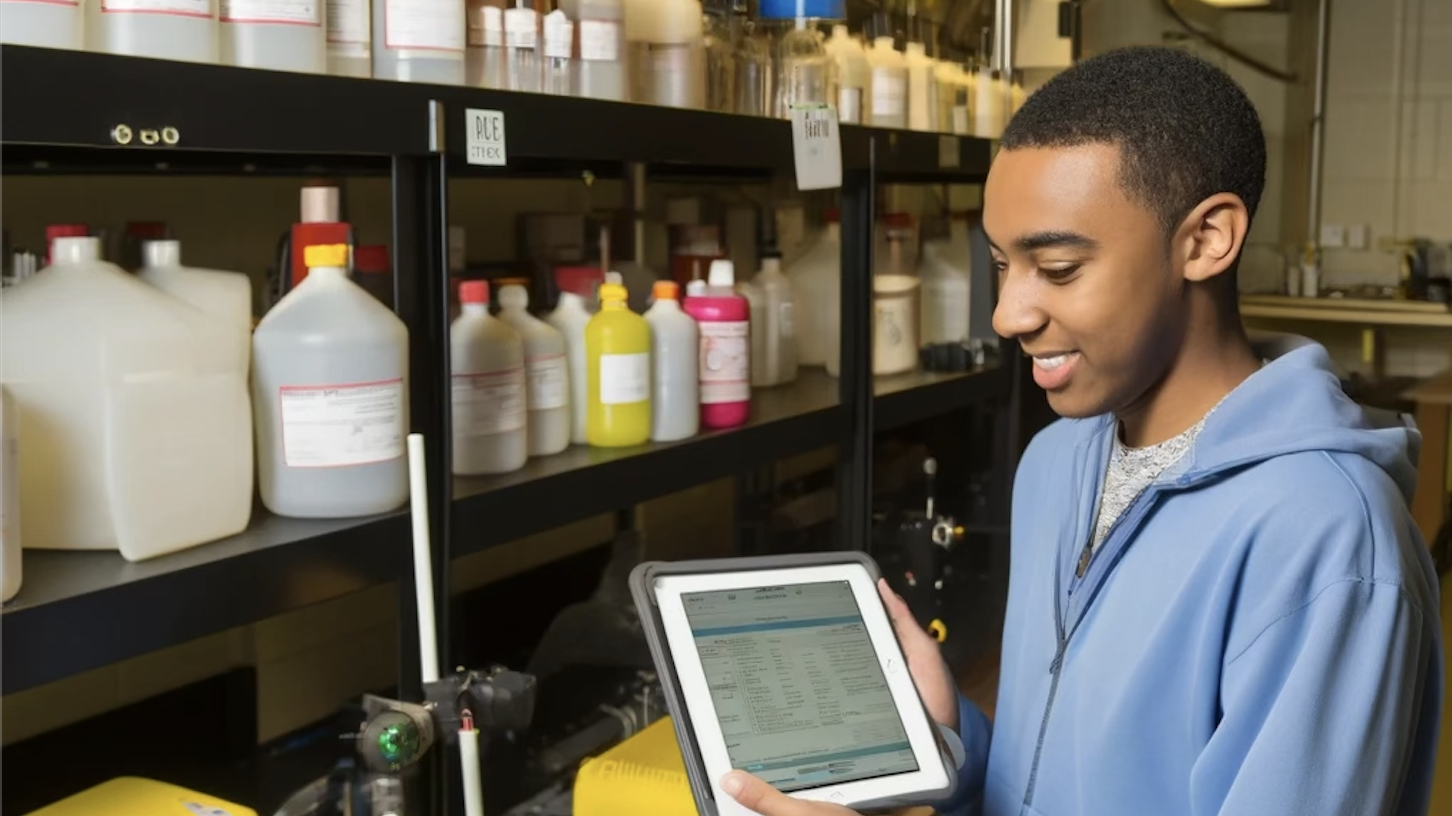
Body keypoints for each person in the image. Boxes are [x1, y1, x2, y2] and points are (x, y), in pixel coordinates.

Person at [720, 46, 1444, 816]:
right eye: (1001, 263)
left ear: (1205, 240)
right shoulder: (1056, 460)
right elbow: (1056, 782)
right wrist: (948, 738)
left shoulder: (1328, 538)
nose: (1008, 315)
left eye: (1058, 267)